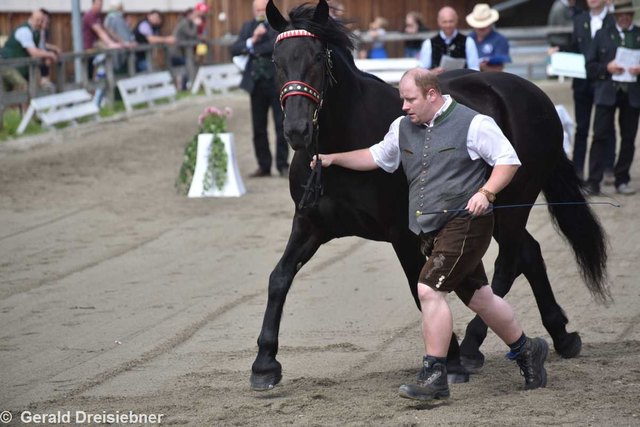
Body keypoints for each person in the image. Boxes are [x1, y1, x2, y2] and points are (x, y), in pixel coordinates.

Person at [311, 68, 549, 401]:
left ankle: (435, 374)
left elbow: (507, 161)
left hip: (467, 224)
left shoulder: (475, 124)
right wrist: (334, 158)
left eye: (410, 99)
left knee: (428, 288)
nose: (404, 106)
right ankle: (529, 350)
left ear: (432, 95)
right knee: (480, 297)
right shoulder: (402, 127)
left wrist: (487, 193)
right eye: (402, 100)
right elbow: (377, 156)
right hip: (431, 230)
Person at [584, 0, 640, 196]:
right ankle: (594, 180)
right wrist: (606, 68)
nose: (625, 18)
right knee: (599, 136)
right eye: (621, 15)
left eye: (628, 15)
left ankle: (622, 178)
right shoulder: (602, 35)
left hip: (632, 94)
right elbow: (590, 66)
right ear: (615, 15)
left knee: (629, 138)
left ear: (632, 15)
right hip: (607, 92)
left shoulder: (638, 34)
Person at [230, 0, 288, 178]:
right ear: (253, 10)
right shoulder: (248, 26)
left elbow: (273, 47)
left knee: (281, 126)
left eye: (263, 9)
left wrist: (251, 48)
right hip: (256, 84)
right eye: (257, 9)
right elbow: (235, 48)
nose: (260, 12)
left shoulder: (278, 25)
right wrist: (253, 40)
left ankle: (282, 165)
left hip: (276, 84)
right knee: (258, 128)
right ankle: (263, 165)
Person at [562, 0, 616, 182]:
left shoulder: (613, 20)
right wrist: (558, 51)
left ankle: (608, 167)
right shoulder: (580, 20)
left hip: (606, 81)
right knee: (582, 127)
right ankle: (577, 169)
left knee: (606, 127)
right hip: (582, 81)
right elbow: (574, 48)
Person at [1, 9, 58, 82]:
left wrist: (47, 54)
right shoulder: (25, 31)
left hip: (21, 67)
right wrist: (50, 54)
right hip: (8, 64)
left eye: (42, 21)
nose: (40, 23)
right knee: (21, 87)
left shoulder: (36, 32)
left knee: (25, 88)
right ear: (32, 18)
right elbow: (34, 52)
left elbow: (40, 49)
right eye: (38, 20)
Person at [418, 6, 480, 73]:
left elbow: (474, 68)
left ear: (456, 21)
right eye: (444, 22)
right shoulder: (428, 43)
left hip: (461, 82)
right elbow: (423, 71)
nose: (448, 25)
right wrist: (433, 72)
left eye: (451, 21)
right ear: (439, 22)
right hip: (438, 82)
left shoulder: (468, 42)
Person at [466, 3, 511, 72]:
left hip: (490, 79)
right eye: (479, 25)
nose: (481, 27)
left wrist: (483, 67)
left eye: (484, 25)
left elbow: (499, 69)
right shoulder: (468, 39)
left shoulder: (499, 40)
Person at [170, 8, 204, 90]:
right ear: (189, 15)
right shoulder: (184, 22)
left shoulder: (188, 22)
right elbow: (191, 34)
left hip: (184, 50)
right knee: (183, 69)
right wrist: (196, 24)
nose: (197, 16)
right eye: (195, 15)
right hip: (178, 50)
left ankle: (192, 85)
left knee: (187, 67)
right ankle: (190, 86)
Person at [103, 0, 136, 73]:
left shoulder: (108, 18)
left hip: (114, 52)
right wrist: (128, 43)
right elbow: (124, 36)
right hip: (119, 53)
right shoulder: (117, 18)